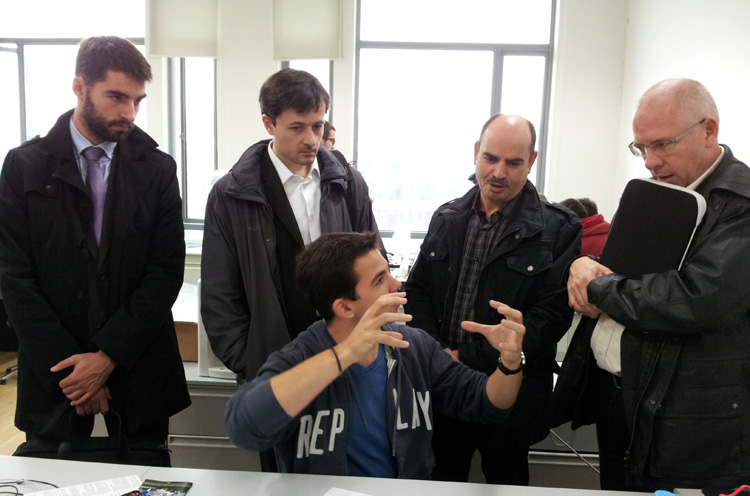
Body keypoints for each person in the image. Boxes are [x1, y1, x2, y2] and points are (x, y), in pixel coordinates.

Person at [0, 36, 190, 462]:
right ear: (79, 87)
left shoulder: (157, 169)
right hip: (54, 377)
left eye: (137, 101)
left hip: (139, 373)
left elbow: (164, 274)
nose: (129, 113)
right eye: (116, 97)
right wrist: (74, 372)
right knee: (49, 482)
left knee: (143, 480)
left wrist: (106, 358)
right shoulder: (24, 166)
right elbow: (15, 280)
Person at [561, 78, 750, 494]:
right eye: (641, 148)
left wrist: (598, 288)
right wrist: (584, 264)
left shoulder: (741, 203)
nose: (650, 161)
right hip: (623, 397)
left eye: (663, 145)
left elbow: (696, 300)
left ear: (709, 130)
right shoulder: (659, 193)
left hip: (688, 421)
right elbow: (623, 267)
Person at [225, 232, 525, 478]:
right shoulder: (301, 356)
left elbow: (489, 403)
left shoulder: (413, 346)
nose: (396, 284)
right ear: (344, 307)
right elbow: (243, 428)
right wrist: (346, 353)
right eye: (380, 280)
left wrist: (511, 362)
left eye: (389, 272)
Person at [200, 68, 381, 468]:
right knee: (281, 477)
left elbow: (375, 270)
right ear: (269, 123)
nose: (311, 139)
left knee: (348, 471)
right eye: (297, 127)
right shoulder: (231, 194)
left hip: (346, 359)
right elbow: (218, 294)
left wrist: (367, 344)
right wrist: (251, 360)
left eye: (318, 126)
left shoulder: (348, 184)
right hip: (273, 368)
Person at [403, 114, 582, 485]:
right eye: (490, 158)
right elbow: (417, 291)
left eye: (513, 162)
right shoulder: (447, 216)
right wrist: (437, 354)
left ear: (531, 161)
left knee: (506, 484)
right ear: (475, 153)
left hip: (511, 390)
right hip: (445, 388)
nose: (499, 172)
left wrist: (465, 357)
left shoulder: (558, 229)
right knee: (440, 483)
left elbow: (550, 318)